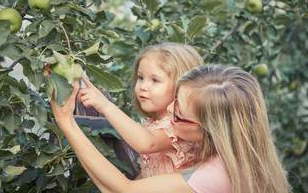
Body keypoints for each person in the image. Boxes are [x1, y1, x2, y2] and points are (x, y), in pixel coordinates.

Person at [50, 64, 291, 193]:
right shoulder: (244, 159)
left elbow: (122, 191)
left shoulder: (213, 177)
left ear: (211, 130)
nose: (170, 110)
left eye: (178, 113)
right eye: (175, 98)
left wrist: (66, 123)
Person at [77, 42, 204, 178]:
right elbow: (146, 173)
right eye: (141, 77)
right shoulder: (154, 124)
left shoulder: (179, 126)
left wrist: (105, 105)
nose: (143, 86)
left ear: (181, 88)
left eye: (155, 80)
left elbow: (146, 143)